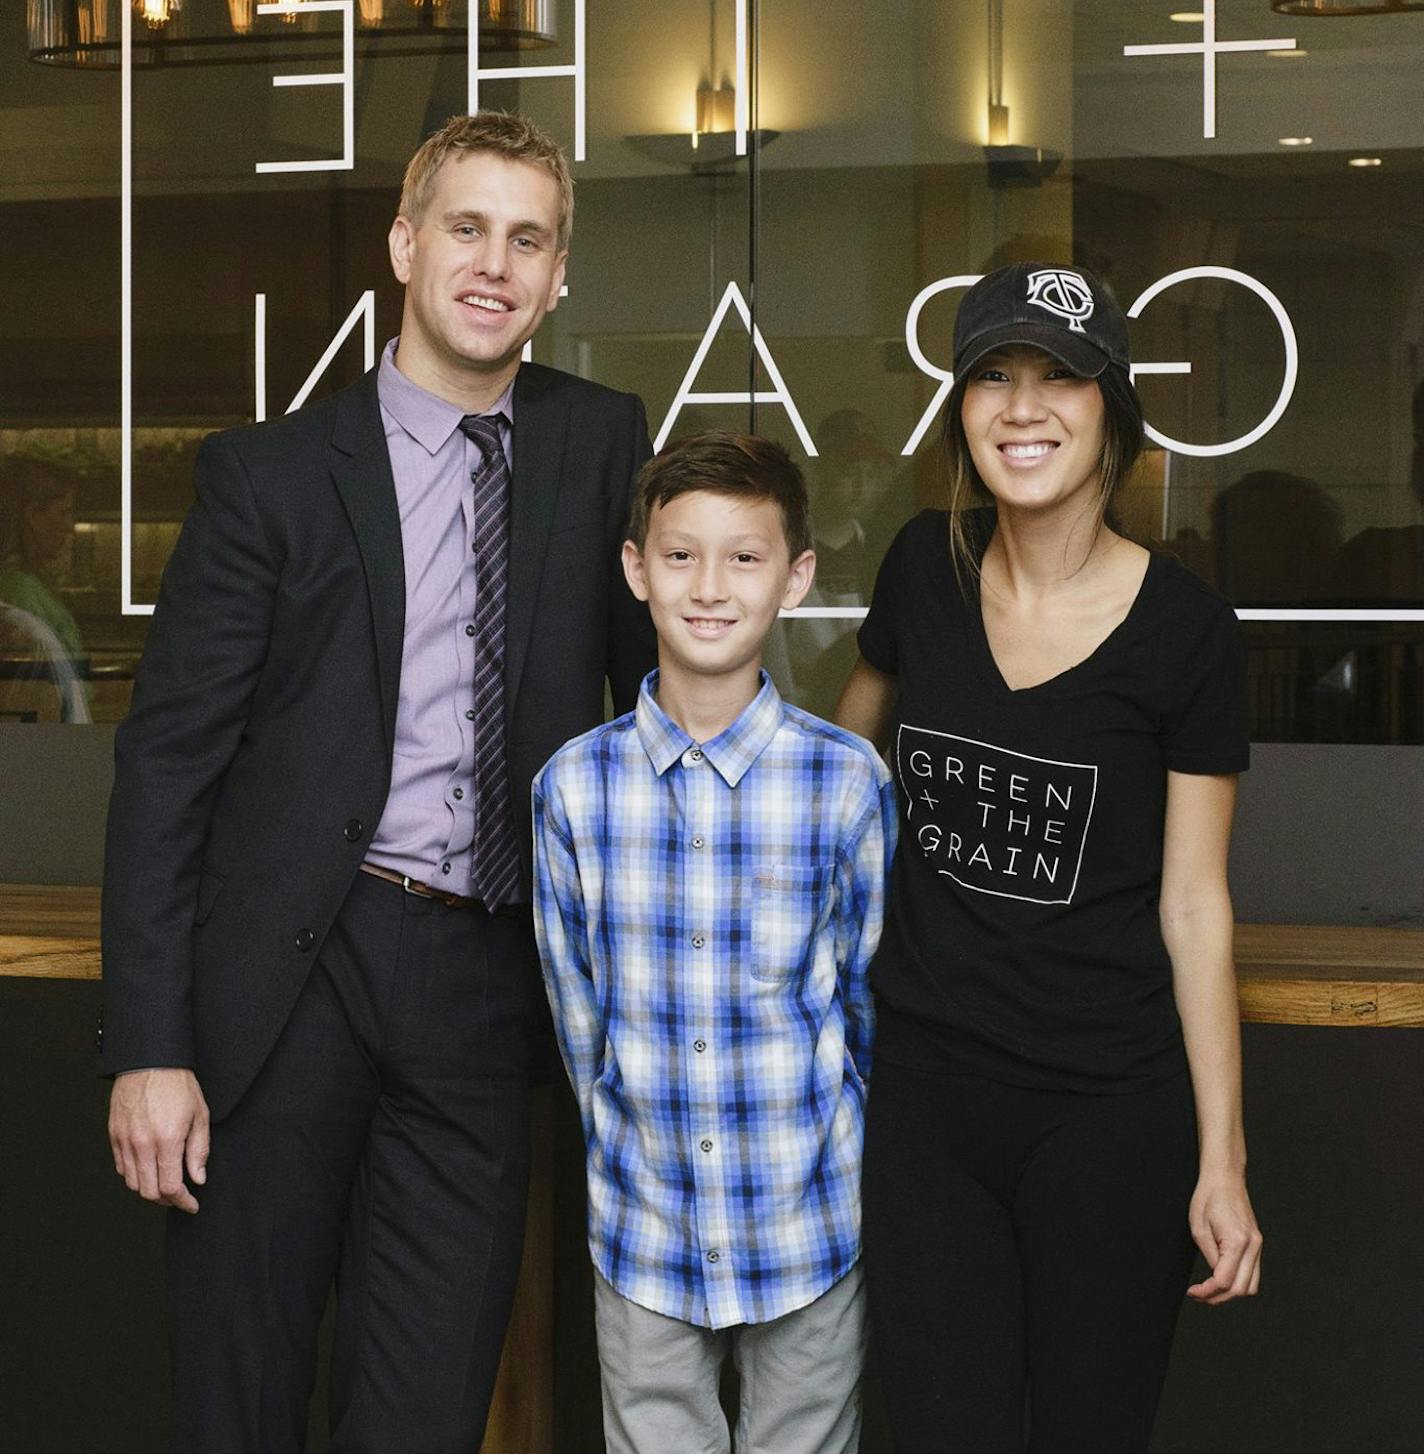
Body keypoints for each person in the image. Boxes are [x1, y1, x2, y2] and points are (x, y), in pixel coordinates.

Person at [101, 111, 655, 1454]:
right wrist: (149, 1046)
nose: (494, 263)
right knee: (243, 1395)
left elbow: (654, 720)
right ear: (406, 246)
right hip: (290, 981)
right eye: (466, 227)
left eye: (528, 239)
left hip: (484, 987)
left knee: (424, 1409)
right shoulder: (270, 473)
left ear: (560, 273)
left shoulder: (598, 445)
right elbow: (167, 766)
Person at [835, 263, 1263, 1453]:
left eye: (1058, 377)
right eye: (990, 376)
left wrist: (1221, 1159)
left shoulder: (1185, 630)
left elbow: (1192, 905)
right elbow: (829, 775)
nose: (1021, 407)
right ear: (960, 412)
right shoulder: (924, 565)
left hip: (1107, 1113)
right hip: (925, 1105)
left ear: (1110, 410)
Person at [532, 432, 897, 1454]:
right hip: (641, 1222)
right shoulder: (571, 787)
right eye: (680, 553)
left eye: (743, 556)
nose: (708, 585)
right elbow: (579, 1019)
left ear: (795, 577)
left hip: (808, 1217)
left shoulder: (845, 782)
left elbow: (868, 1004)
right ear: (635, 568)